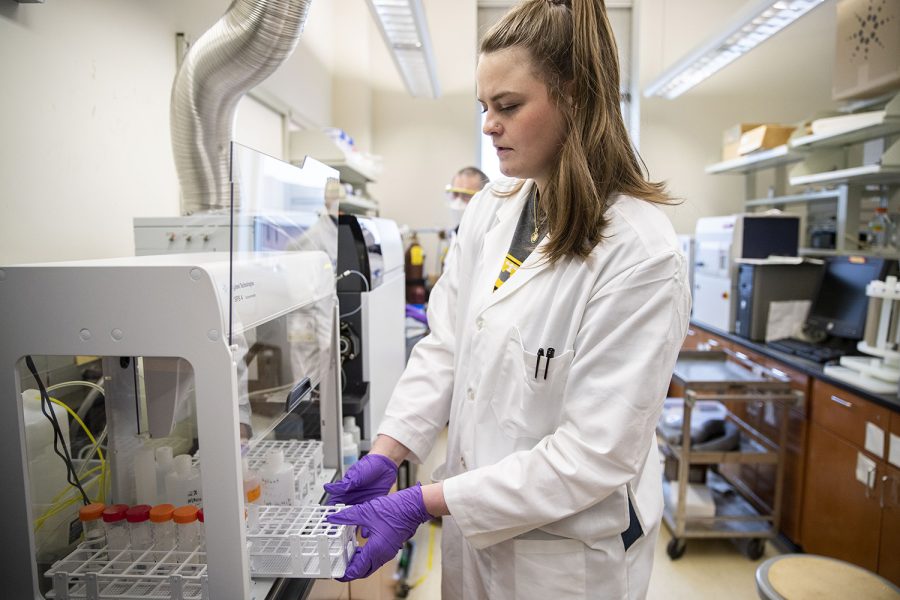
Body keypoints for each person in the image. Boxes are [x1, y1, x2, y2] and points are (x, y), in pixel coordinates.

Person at [324, 1, 691, 598]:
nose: (489, 125)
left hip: (565, 561)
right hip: (476, 543)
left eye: (509, 106)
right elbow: (447, 346)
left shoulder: (641, 254)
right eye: (484, 107)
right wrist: (390, 451)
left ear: (574, 97)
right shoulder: (495, 208)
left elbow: (592, 454)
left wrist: (424, 501)